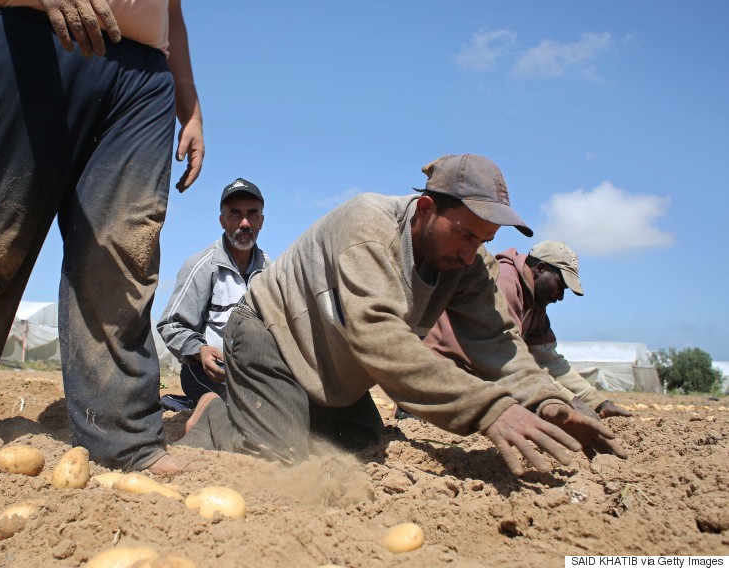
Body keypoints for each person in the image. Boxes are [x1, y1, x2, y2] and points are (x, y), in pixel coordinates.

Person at [0, 0, 205, 475]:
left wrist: (189, 105)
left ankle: (123, 437)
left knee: (123, 248)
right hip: (36, 30)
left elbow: (170, 7)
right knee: (0, 238)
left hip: (143, 75)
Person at [178, 154, 627, 476]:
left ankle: (281, 411)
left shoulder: (472, 263)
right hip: (268, 336)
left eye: (484, 240)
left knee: (364, 447)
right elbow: (378, 337)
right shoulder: (368, 227)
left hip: (334, 366)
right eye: (465, 234)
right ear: (428, 210)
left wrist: (547, 400)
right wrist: (490, 409)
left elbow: (498, 343)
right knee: (278, 460)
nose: (472, 252)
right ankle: (218, 414)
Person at [423, 241, 632, 418]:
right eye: (560, 286)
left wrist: (598, 403)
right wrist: (568, 400)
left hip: (474, 384)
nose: (560, 297)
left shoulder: (536, 307)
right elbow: (504, 357)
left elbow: (550, 360)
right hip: (441, 381)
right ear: (540, 269)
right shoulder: (503, 283)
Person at [157, 178, 270, 411]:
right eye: (235, 214)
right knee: (245, 410)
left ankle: (191, 405)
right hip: (210, 372)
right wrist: (200, 351)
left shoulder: (271, 272)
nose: (245, 223)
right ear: (222, 221)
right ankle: (191, 405)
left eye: (252, 214)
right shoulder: (202, 266)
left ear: (261, 221)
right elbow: (170, 324)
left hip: (257, 374)